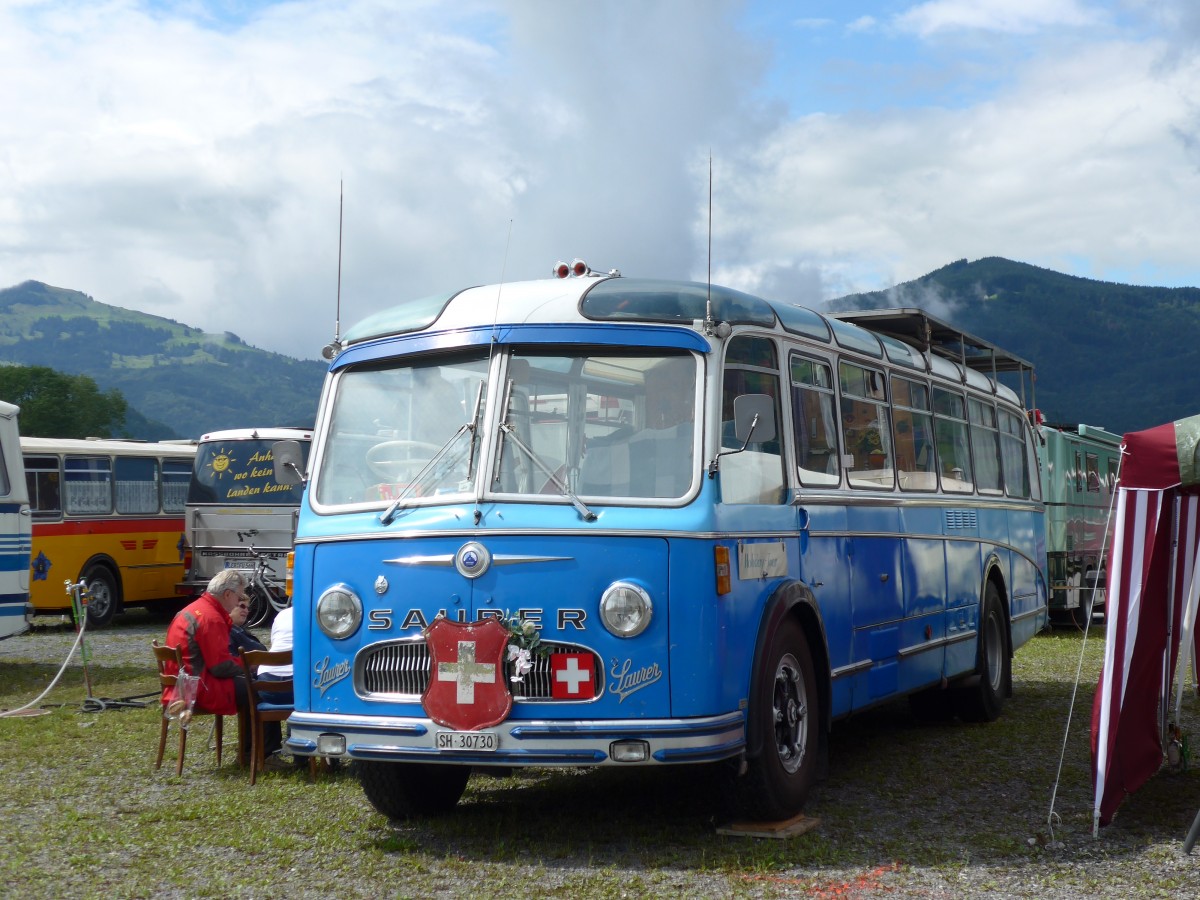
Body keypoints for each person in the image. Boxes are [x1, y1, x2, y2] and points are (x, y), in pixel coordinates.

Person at [163, 569, 252, 761]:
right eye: (238, 597)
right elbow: (220, 667)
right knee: (257, 690)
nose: (239, 602)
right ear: (227, 594)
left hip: (180, 686)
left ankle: (252, 752)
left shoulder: (193, 609)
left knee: (249, 686)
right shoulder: (210, 617)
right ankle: (257, 754)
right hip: (198, 688)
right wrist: (250, 665)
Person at [253, 605, 294, 761]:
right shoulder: (317, 615)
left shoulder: (281, 615)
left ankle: (270, 750)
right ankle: (301, 752)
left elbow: (275, 641)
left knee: (271, 696)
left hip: (267, 679)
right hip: (295, 684)